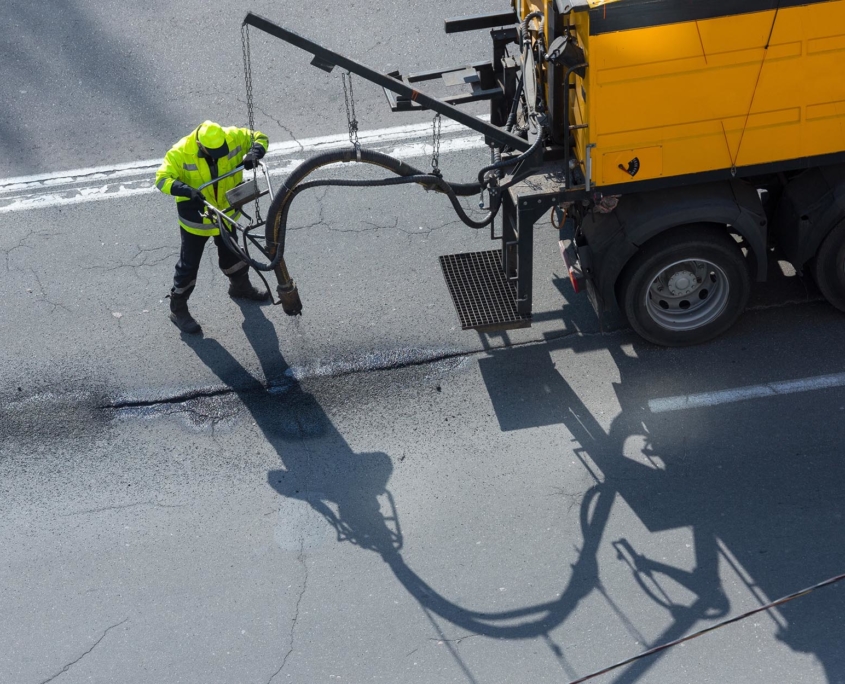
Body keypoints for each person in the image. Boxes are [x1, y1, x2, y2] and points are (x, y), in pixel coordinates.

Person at [155, 121, 270, 334]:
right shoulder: (180, 152)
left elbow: (260, 137)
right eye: (213, 153)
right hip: (196, 219)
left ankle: (240, 287)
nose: (218, 157)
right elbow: (161, 180)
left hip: (226, 213)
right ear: (201, 146)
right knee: (188, 266)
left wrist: (255, 152)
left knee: (233, 254)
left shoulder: (232, 137)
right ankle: (177, 308)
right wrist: (186, 190)